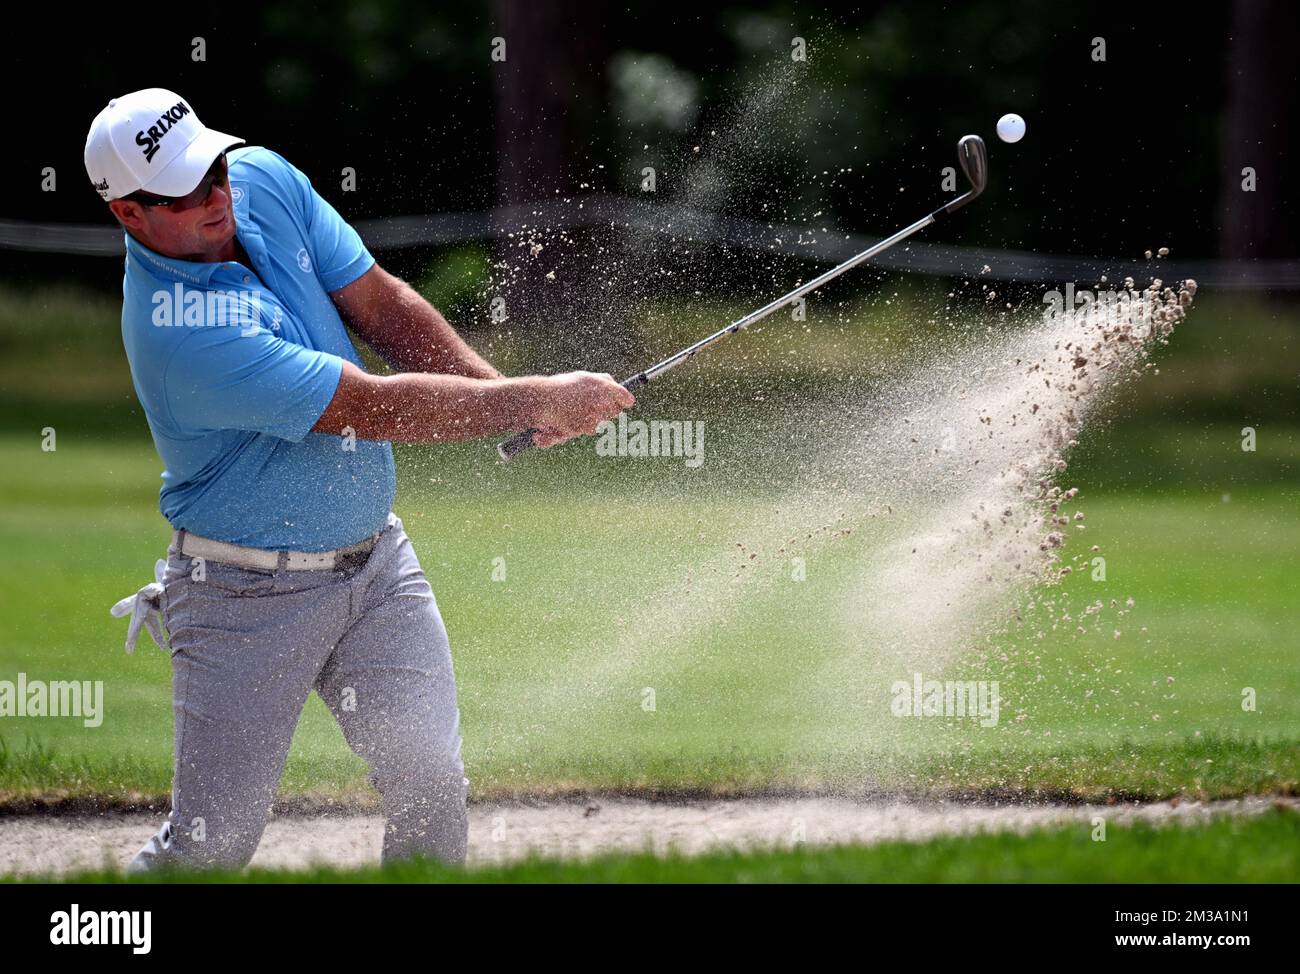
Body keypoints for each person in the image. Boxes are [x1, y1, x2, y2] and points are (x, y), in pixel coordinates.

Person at [86, 88, 633, 871]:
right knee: (211, 848)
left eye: (212, 169)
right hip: (243, 595)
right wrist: (539, 395)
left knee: (431, 781)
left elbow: (380, 305)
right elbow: (371, 407)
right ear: (129, 214)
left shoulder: (261, 179)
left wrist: (502, 395)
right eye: (183, 192)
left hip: (377, 567)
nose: (215, 196)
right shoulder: (181, 333)